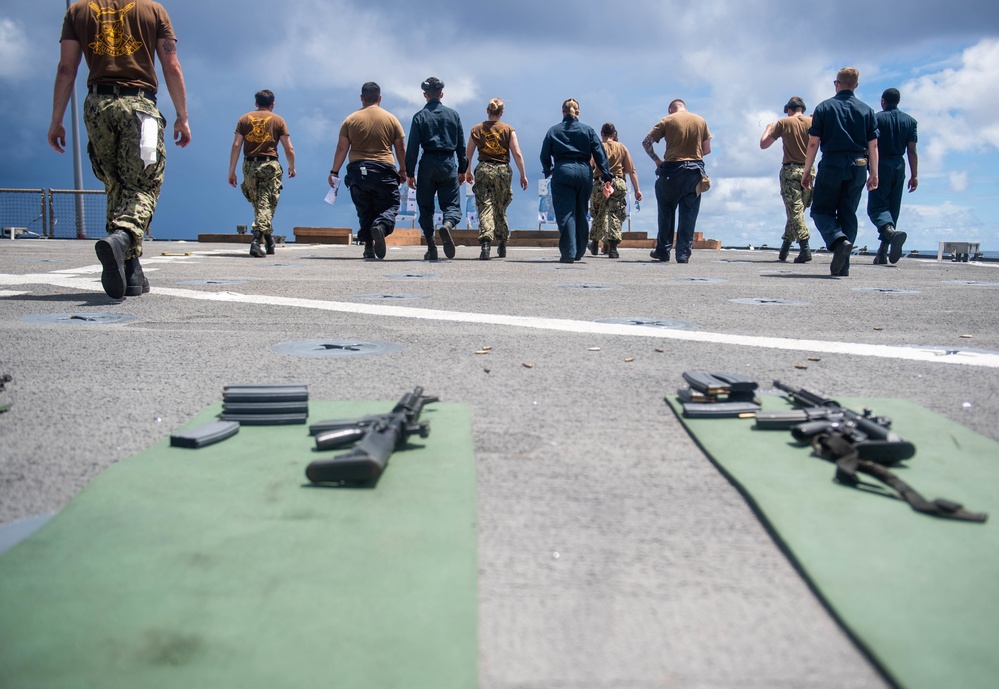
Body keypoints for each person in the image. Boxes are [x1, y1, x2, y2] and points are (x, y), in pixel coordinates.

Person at [48, 0, 191, 299]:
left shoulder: (78, 11)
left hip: (96, 106)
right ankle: (123, 236)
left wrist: (57, 120)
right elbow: (171, 65)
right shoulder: (153, 10)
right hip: (139, 107)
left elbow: (66, 68)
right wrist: (182, 116)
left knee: (115, 185)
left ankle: (131, 272)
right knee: (144, 185)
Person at [802, 67, 879, 277]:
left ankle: (838, 241)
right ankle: (843, 266)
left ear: (836, 84)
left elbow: (813, 144)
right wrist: (874, 173)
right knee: (848, 212)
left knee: (820, 210)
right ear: (856, 85)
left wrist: (807, 171)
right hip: (859, 165)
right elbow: (873, 146)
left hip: (832, 164)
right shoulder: (867, 110)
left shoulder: (824, 108)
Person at [329, 82, 407, 260]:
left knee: (364, 210)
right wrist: (403, 170)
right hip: (383, 170)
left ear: (362, 98)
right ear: (379, 98)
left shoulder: (350, 120)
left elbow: (342, 149)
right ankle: (381, 226)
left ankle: (368, 247)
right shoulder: (391, 119)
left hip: (358, 171)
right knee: (390, 205)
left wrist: (334, 172)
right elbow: (400, 148)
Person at [540, 98, 613, 263]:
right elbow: (600, 153)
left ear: (563, 112)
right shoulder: (588, 130)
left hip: (562, 170)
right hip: (584, 172)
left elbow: (544, 154)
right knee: (581, 211)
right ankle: (579, 250)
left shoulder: (553, 131)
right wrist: (607, 174)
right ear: (578, 112)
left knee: (566, 212)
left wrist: (548, 170)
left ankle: (568, 252)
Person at [642, 99, 712, 263]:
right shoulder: (700, 120)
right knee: (688, 214)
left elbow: (646, 143)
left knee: (666, 211)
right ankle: (683, 254)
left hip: (670, 172)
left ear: (670, 110)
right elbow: (707, 150)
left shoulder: (667, 120)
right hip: (694, 172)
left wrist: (657, 160)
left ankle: (663, 251)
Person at [405, 77, 467, 261]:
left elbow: (413, 148)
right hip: (448, 162)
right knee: (452, 205)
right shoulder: (453, 115)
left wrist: (410, 173)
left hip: (427, 163)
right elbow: (461, 146)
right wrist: (462, 169)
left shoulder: (419, 117)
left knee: (425, 206)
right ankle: (447, 224)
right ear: (442, 94)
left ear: (425, 95)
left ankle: (431, 247)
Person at [228, 89, 295, 258]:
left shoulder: (243, 119)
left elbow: (236, 145)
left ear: (256, 103)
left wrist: (232, 170)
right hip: (269, 165)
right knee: (267, 203)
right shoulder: (278, 120)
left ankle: (269, 239)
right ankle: (256, 240)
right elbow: (289, 148)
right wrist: (291, 166)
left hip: (249, 165)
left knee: (259, 202)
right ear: (272, 104)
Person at [463, 98, 528, 260]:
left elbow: (468, 153)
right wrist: (523, 174)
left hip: (484, 168)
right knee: (501, 207)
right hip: (502, 170)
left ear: (488, 111)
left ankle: (485, 243)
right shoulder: (508, 130)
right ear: (501, 112)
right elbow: (517, 153)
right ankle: (502, 243)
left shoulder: (476, 130)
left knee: (485, 207)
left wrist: (468, 171)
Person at [759, 97, 814, 263]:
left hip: (790, 170)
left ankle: (805, 247)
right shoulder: (812, 122)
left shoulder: (783, 122)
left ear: (789, 109)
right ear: (802, 109)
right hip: (808, 169)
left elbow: (763, 144)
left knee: (794, 210)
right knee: (797, 211)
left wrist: (768, 129)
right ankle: (784, 249)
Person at [867, 88, 917, 265]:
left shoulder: (876, 118)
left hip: (881, 164)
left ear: (883, 101)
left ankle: (890, 234)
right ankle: (882, 251)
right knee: (892, 209)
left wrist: (871, 169)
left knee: (876, 208)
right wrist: (914, 175)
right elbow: (911, 150)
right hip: (899, 165)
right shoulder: (910, 121)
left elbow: (871, 144)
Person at [587, 123, 643, 259]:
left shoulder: (597, 147)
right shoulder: (622, 148)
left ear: (601, 133)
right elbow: (631, 170)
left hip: (600, 182)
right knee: (615, 214)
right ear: (614, 134)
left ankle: (594, 243)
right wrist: (637, 190)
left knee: (598, 211)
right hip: (617, 183)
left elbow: (590, 166)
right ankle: (613, 248)